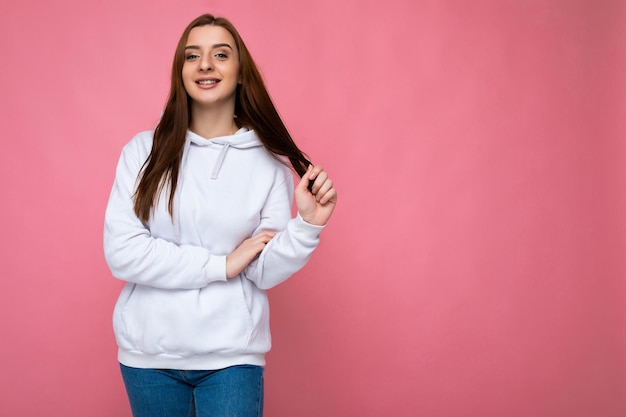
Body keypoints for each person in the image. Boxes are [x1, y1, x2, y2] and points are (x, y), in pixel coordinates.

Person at [103, 13, 337, 417]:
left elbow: (262, 270)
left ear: (241, 72)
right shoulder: (142, 152)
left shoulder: (270, 165)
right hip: (148, 357)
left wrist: (307, 226)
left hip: (231, 357)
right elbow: (122, 253)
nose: (205, 64)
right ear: (181, 71)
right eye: (192, 55)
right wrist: (222, 264)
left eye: (221, 54)